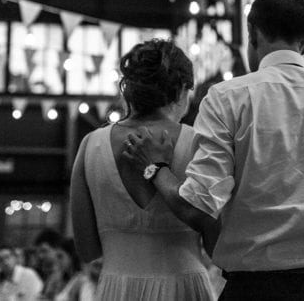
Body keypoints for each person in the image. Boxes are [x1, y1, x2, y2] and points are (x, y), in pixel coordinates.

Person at [123, 0, 304, 301]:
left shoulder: (227, 99)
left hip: (254, 290)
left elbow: (196, 204)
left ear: (251, 33)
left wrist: (154, 167)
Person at [70, 38, 216, 300]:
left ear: (129, 90)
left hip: (117, 289)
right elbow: (217, 242)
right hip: (185, 287)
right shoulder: (198, 144)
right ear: (182, 89)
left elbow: (87, 249)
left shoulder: (91, 146)